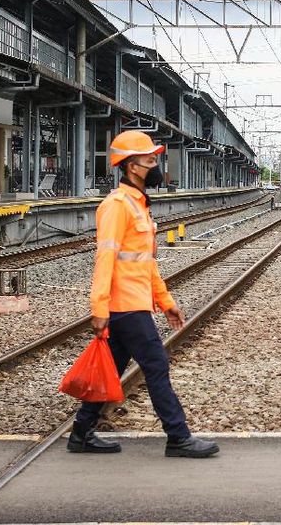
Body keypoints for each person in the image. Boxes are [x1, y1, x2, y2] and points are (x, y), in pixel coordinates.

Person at [68, 130, 219, 458]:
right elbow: (105, 256)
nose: (156, 165)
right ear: (133, 166)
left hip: (135, 302)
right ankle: (178, 436)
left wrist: (166, 303)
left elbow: (145, 263)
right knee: (156, 364)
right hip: (124, 305)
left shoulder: (138, 206)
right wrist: (99, 307)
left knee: (117, 361)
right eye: (151, 160)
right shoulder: (117, 206)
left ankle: (81, 432)